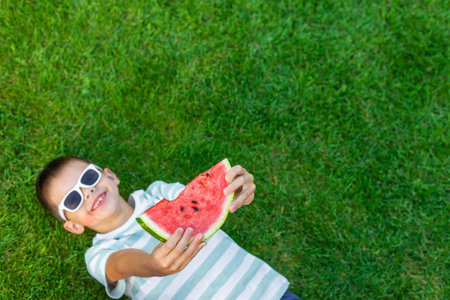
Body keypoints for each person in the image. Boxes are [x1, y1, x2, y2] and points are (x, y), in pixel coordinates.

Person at [36, 156, 300, 299]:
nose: (88, 191)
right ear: (73, 226)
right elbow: (119, 265)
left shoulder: (161, 193)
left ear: (110, 175)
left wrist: (234, 189)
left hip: (267, 291)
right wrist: (152, 265)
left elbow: (206, 199)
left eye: (88, 178)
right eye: (73, 199)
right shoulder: (99, 253)